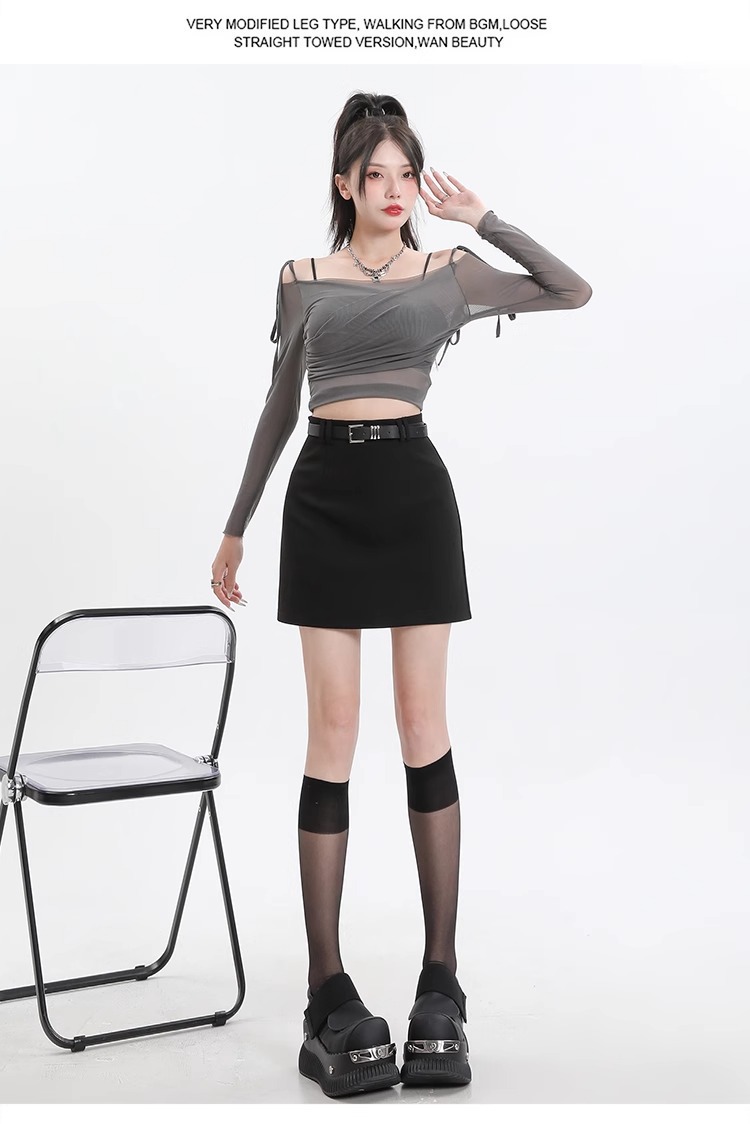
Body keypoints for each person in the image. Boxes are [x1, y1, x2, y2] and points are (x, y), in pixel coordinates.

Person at [210, 90, 592, 1098]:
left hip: (416, 498)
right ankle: (326, 992)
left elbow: (571, 289)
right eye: (374, 174)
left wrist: (484, 217)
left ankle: (441, 982)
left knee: (424, 727)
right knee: (332, 736)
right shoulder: (302, 280)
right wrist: (237, 524)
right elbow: (278, 407)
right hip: (323, 499)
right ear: (343, 182)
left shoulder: (448, 271)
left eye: (406, 174)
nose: (393, 190)